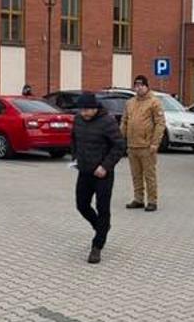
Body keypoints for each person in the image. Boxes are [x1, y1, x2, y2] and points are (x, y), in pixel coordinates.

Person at [71, 92, 126, 264]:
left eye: (88, 109)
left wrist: (105, 166)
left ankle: (97, 246)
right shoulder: (78, 120)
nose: (85, 113)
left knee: (103, 208)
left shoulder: (107, 121)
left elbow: (119, 146)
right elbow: (74, 139)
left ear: (95, 108)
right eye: (82, 109)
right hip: (84, 171)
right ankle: (102, 227)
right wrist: (75, 157)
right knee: (82, 205)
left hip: (103, 174)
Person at [121, 75, 166, 210]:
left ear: (147, 86)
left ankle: (152, 201)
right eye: (136, 86)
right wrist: (119, 139)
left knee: (149, 175)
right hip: (132, 145)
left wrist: (155, 143)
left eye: (141, 85)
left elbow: (160, 124)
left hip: (147, 146)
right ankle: (138, 199)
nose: (139, 88)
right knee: (136, 175)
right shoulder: (130, 103)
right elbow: (125, 121)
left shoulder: (154, 102)